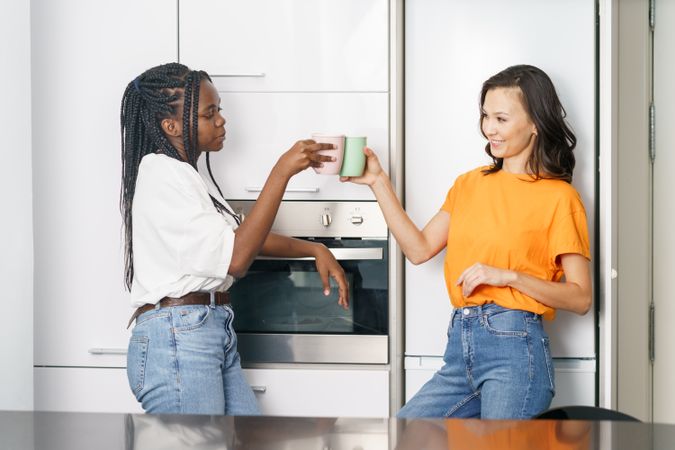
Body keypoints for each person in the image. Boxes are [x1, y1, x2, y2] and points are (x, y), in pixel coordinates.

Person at [342, 64, 592, 419]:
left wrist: (509, 277)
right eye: (486, 116)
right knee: (405, 435)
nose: (489, 128)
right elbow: (418, 249)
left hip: (516, 350)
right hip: (460, 345)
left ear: (535, 123)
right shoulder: (469, 184)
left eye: (501, 119)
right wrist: (378, 181)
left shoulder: (559, 198)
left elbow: (581, 297)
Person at [120, 62, 349, 415]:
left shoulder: (189, 177)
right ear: (171, 125)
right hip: (178, 340)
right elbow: (237, 257)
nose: (221, 120)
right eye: (209, 114)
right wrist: (281, 171)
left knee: (246, 438)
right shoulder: (163, 174)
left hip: (206, 331)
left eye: (219, 110)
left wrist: (314, 248)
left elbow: (242, 239)